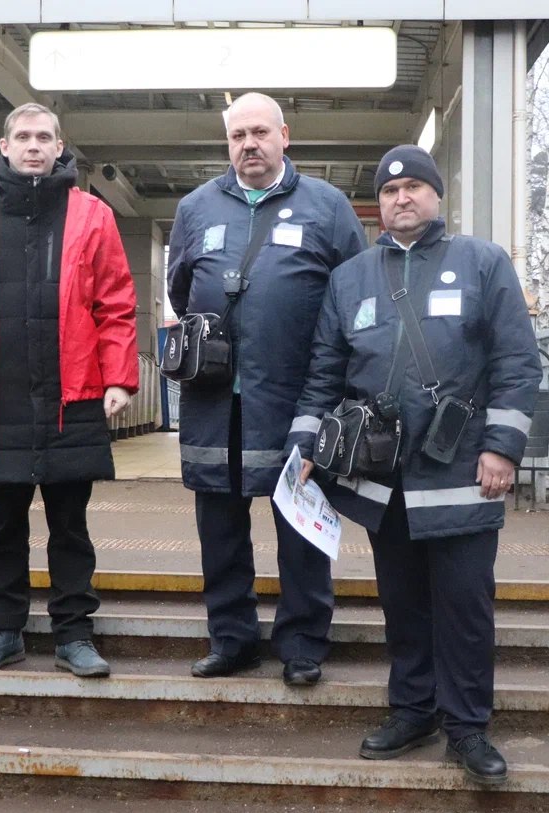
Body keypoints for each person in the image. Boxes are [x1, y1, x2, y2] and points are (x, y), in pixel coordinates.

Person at [292, 144, 541, 784]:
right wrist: (306, 448)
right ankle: (413, 709)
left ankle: (467, 728)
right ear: (380, 205)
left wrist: (501, 447)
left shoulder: (483, 263)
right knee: (402, 604)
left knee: (464, 604)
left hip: (462, 466)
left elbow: (517, 364)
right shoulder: (350, 278)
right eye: (391, 190)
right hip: (382, 475)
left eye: (415, 188)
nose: (403, 198)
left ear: (436, 197)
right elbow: (324, 370)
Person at [0, 103, 139, 679]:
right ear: (4, 145)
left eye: (44, 137)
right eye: (23, 136)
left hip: (74, 395)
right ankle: (3, 630)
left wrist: (118, 375)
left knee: (72, 522)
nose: (34, 145)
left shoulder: (92, 215)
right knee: (3, 520)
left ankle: (74, 633)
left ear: (61, 147)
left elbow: (115, 302)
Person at [167, 93, 367, 686]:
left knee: (301, 524)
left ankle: (303, 643)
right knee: (219, 528)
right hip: (215, 402)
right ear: (226, 143)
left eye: (259, 132)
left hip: (299, 399)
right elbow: (182, 290)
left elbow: (356, 297)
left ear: (285, 135)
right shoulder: (195, 208)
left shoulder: (327, 207)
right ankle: (232, 640)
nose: (248, 144)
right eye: (237, 136)